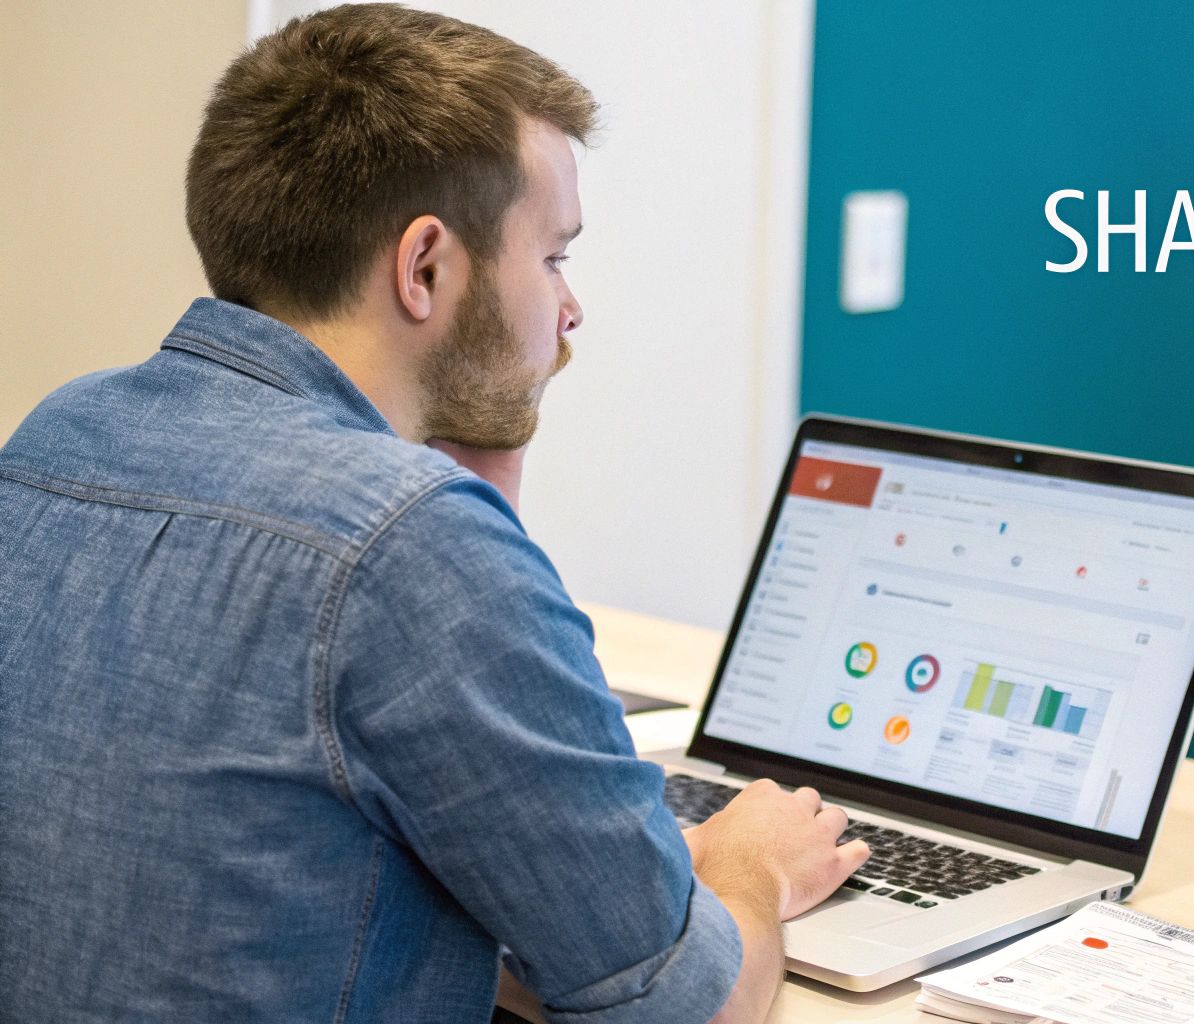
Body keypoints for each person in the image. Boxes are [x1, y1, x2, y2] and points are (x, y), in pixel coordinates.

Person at [0, 5, 867, 1022]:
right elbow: (685, 1007)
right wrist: (752, 867)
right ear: (424, 267)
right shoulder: (404, 543)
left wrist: (477, 491)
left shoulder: (63, 433)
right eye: (554, 258)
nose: (570, 310)